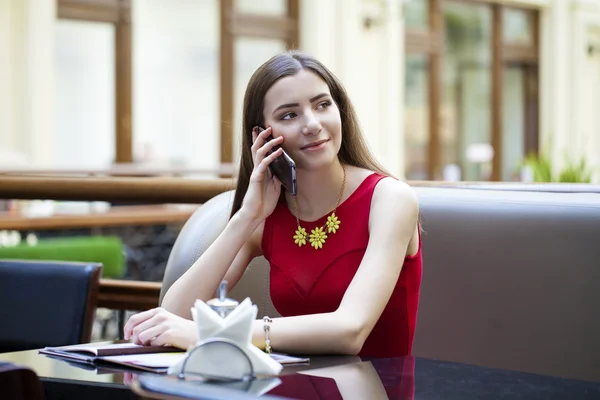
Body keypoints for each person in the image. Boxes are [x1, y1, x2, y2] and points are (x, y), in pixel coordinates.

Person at [124, 50, 422, 357]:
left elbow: (351, 330)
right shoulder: (268, 215)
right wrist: (246, 217)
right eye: (289, 115)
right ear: (262, 136)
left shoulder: (389, 199)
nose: (313, 124)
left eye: (322, 105)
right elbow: (175, 315)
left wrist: (217, 333)